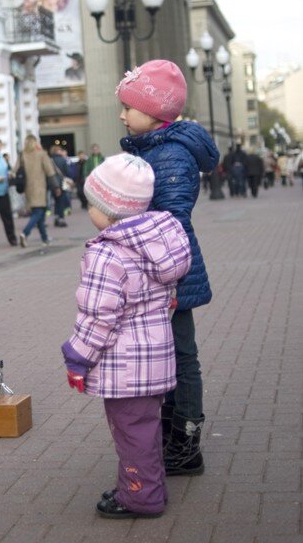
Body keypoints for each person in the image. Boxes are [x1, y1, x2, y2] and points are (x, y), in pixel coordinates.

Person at [62, 153, 191, 519]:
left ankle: (139, 497)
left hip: (126, 367)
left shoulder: (107, 254)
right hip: (156, 359)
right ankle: (147, 485)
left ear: (109, 208)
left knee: (131, 433)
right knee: (145, 428)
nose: (88, 211)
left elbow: (97, 317)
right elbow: (168, 298)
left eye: (91, 203)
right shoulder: (157, 243)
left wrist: (77, 358)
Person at [117, 59, 219, 477]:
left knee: (182, 355)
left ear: (154, 112)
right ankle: (169, 432)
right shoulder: (154, 149)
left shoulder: (170, 155)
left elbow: (172, 221)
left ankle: (185, 443)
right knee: (168, 355)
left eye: (128, 107)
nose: (122, 115)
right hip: (158, 270)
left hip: (170, 273)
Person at [14, 134, 58, 247]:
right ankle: (25, 233)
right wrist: (56, 187)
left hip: (27, 189)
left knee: (38, 213)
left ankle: (45, 238)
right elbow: (50, 172)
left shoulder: (22, 155)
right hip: (40, 188)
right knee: (39, 212)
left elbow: (14, 170)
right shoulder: (42, 154)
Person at [49, 145, 72, 227]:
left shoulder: (49, 160)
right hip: (61, 183)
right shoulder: (63, 160)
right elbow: (68, 171)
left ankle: (56, 217)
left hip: (52, 184)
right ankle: (61, 218)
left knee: (55, 201)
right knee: (61, 201)